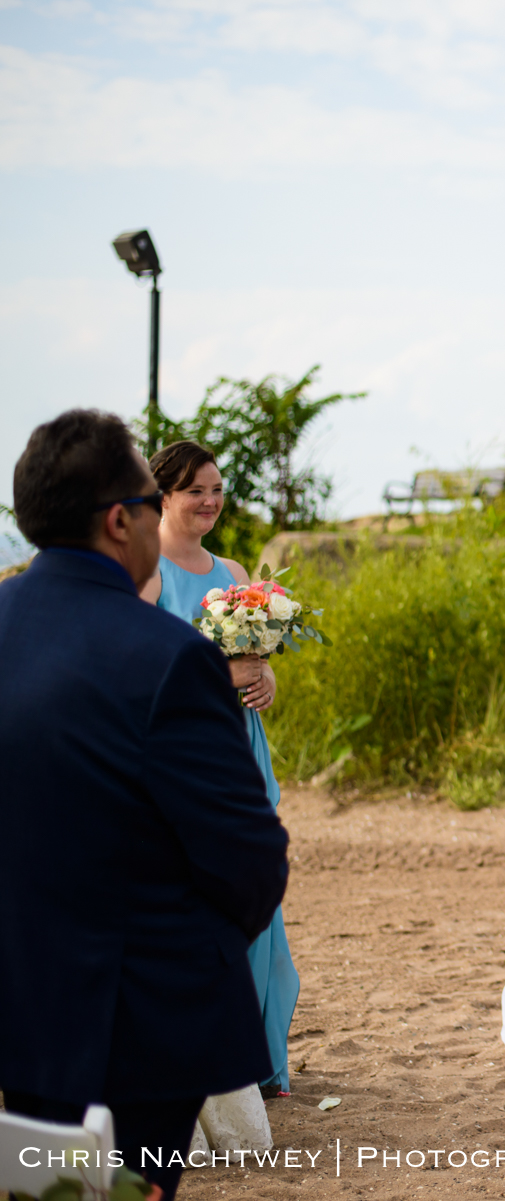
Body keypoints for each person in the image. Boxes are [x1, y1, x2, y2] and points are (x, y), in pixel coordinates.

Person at [0, 410, 289, 1201]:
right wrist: (191, 954)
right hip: (137, 1024)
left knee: (45, 1188)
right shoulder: (169, 657)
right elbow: (251, 865)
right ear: (121, 518)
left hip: (18, 1006)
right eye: (151, 497)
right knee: (130, 1191)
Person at [141, 440, 301, 1096]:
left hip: (240, 744)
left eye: (216, 489)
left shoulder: (233, 570)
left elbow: (253, 663)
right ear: (164, 495)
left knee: (255, 889)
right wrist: (222, 674)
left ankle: (259, 1060)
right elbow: (141, 673)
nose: (209, 501)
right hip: (184, 752)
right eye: (194, 490)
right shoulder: (146, 572)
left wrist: (263, 679)